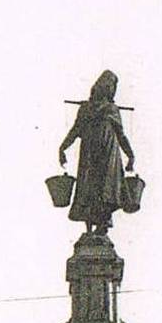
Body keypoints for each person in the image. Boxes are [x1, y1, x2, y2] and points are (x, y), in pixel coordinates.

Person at [58, 71, 136, 234]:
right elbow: (75, 130)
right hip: (94, 157)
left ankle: (101, 227)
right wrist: (63, 147)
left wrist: (130, 155)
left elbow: (121, 135)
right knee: (90, 189)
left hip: (105, 157)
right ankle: (91, 230)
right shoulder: (90, 108)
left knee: (102, 190)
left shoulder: (106, 109)